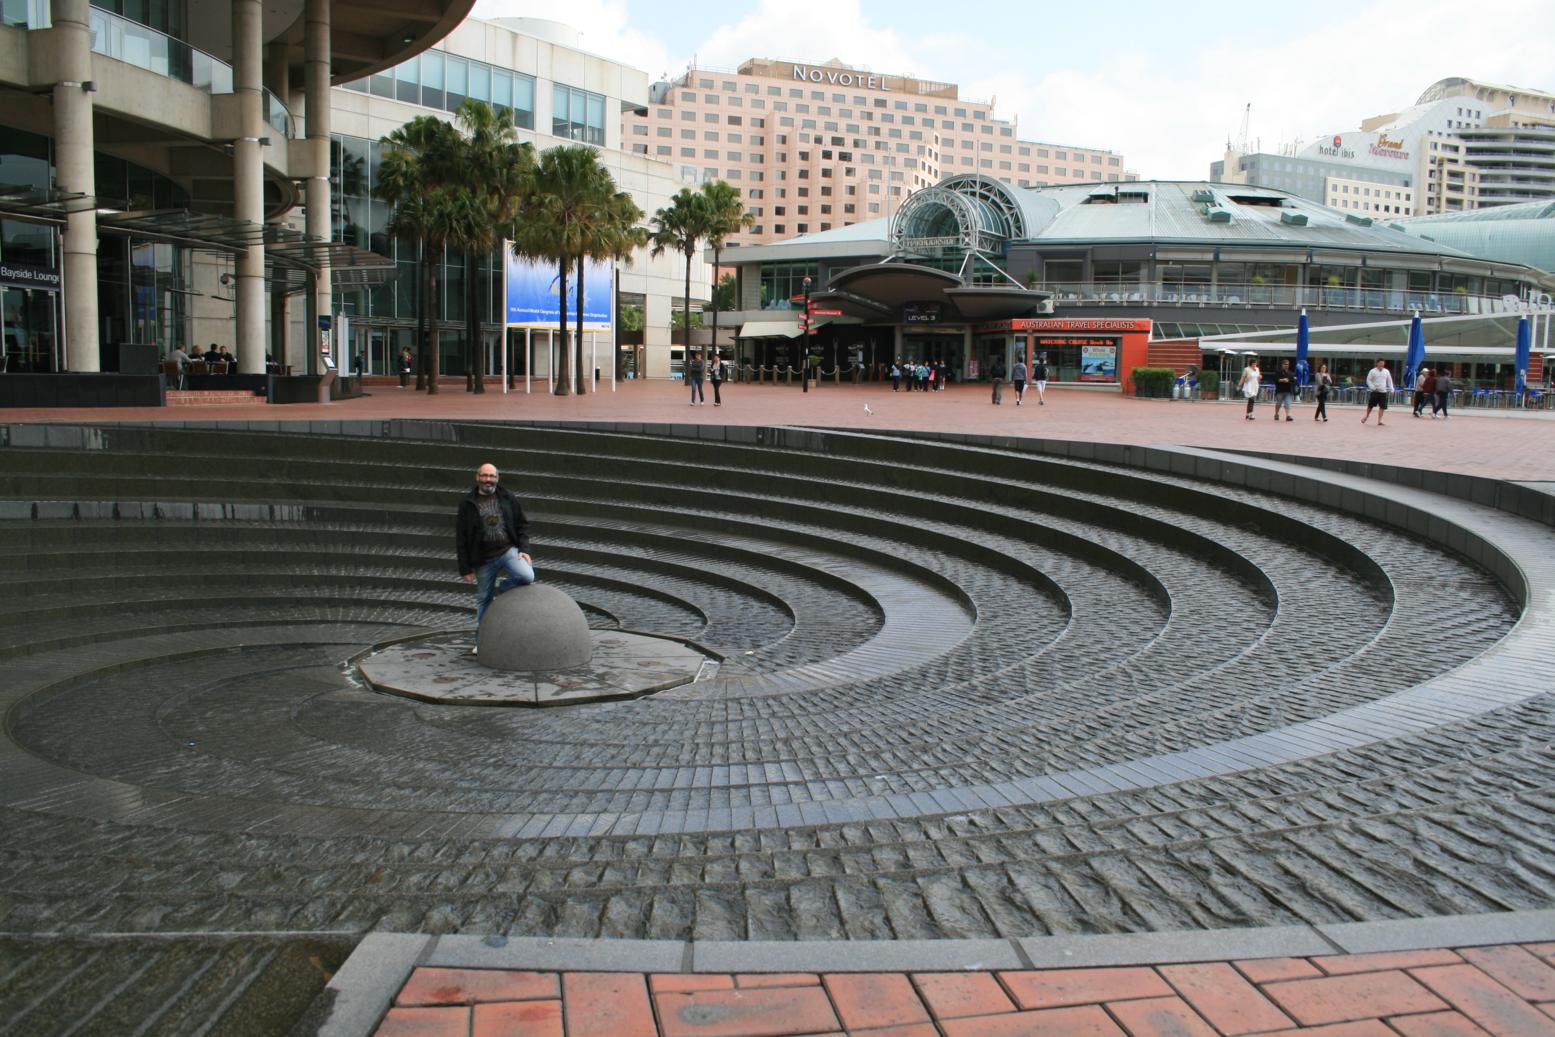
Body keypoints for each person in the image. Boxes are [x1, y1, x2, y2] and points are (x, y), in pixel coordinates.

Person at [456, 463, 535, 652]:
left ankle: (502, 589)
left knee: (527, 576)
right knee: (484, 599)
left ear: (497, 478)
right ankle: (481, 641)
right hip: (483, 559)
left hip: (507, 551)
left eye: (492, 476)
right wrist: (465, 568)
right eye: (484, 476)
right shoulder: (467, 503)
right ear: (477, 477)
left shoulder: (507, 497)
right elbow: (461, 537)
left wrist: (524, 549)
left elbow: (522, 524)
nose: (488, 480)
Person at [1362, 358, 1395, 426]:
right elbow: (1368, 380)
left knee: (1382, 406)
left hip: (1383, 391)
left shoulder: (1386, 371)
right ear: (1377, 363)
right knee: (1370, 405)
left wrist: (1392, 389)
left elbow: (1389, 381)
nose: (1381, 365)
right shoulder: (1372, 371)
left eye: (1383, 364)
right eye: (1380, 363)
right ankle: (1366, 416)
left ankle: (1379, 420)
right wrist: (1372, 387)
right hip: (1375, 391)